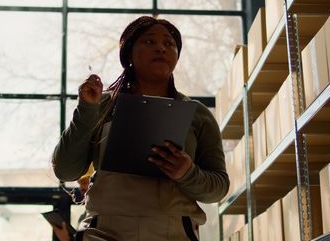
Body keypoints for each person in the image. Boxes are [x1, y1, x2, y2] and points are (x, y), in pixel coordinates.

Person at [52, 16, 229, 241]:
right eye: (149, 42)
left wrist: (187, 173)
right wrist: (87, 110)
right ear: (128, 53)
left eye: (169, 43)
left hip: (173, 232)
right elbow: (65, 170)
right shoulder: (100, 105)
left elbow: (218, 188)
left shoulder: (197, 114)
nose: (161, 48)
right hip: (104, 232)